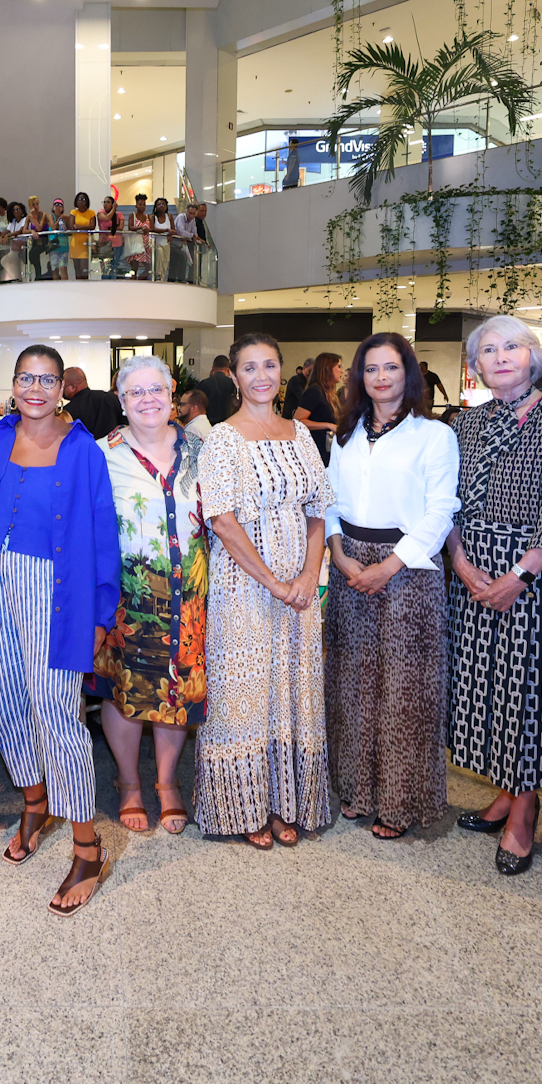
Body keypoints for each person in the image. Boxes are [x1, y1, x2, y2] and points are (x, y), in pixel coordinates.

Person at [0, 345, 120, 915]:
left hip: (56, 593)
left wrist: (103, 613)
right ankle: (35, 802)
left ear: (62, 388)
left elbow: (103, 535)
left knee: (57, 713)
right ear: (13, 382)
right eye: (26, 378)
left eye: (46, 380)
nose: (35, 388)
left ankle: (87, 845)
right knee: (8, 703)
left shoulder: (84, 452)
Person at [446, 315, 542, 876]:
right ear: (475, 365)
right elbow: (447, 504)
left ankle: (525, 812)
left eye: (512, 346)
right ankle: (506, 791)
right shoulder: (466, 423)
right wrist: (459, 563)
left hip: (536, 579)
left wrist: (520, 577)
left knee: (528, 691)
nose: (501, 356)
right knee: (486, 689)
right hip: (473, 574)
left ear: (535, 358)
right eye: (488, 349)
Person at [194, 332, 333, 848]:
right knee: (245, 695)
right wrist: (274, 581)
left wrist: (305, 578)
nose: (261, 376)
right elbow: (223, 522)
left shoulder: (299, 434)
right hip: (245, 587)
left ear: (281, 371)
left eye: (269, 365)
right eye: (249, 367)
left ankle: (286, 804)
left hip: (299, 588)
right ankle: (246, 806)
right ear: (234, 375)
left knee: (293, 691)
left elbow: (319, 511)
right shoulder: (222, 439)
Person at [322, 333, 457, 841]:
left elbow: (441, 510)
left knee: (403, 692)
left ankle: (399, 800)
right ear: (360, 376)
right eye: (371, 369)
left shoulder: (433, 434)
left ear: (409, 374)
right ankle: (356, 790)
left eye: (391, 368)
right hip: (349, 562)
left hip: (409, 570)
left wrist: (390, 565)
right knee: (352, 685)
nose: (381, 377)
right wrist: (338, 552)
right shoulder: (346, 432)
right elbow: (329, 500)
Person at [92, 356, 208, 838]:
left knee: (176, 690)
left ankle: (166, 784)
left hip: (192, 594)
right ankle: (127, 783)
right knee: (126, 693)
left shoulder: (204, 449)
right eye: (136, 392)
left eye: (156, 389)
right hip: (131, 594)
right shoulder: (102, 453)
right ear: (121, 400)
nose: (148, 400)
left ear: (172, 392)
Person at [290, 351, 343, 463]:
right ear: (328, 368)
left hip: (327, 449)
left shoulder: (330, 393)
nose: (341, 371)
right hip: (317, 451)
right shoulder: (315, 391)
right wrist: (328, 425)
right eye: (338, 366)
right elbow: (298, 421)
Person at [60, 367, 122, 440]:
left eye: (63, 387)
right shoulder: (110, 398)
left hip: (86, 450)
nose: (61, 391)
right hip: (114, 448)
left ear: (73, 387)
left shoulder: (68, 412)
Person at [197, 352, 237, 424]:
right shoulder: (232, 384)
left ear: (213, 368)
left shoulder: (204, 383)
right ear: (228, 370)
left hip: (207, 423)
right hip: (228, 423)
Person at [68, 191, 96, 280]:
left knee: (84, 271)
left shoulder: (91, 212)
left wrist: (79, 227)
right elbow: (72, 226)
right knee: (78, 272)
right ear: (76, 202)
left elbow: (92, 226)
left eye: (83, 199)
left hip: (86, 245)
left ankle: (85, 290)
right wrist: (84, 228)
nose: (81, 201)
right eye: (79, 199)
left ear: (87, 201)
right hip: (75, 244)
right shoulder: (73, 212)